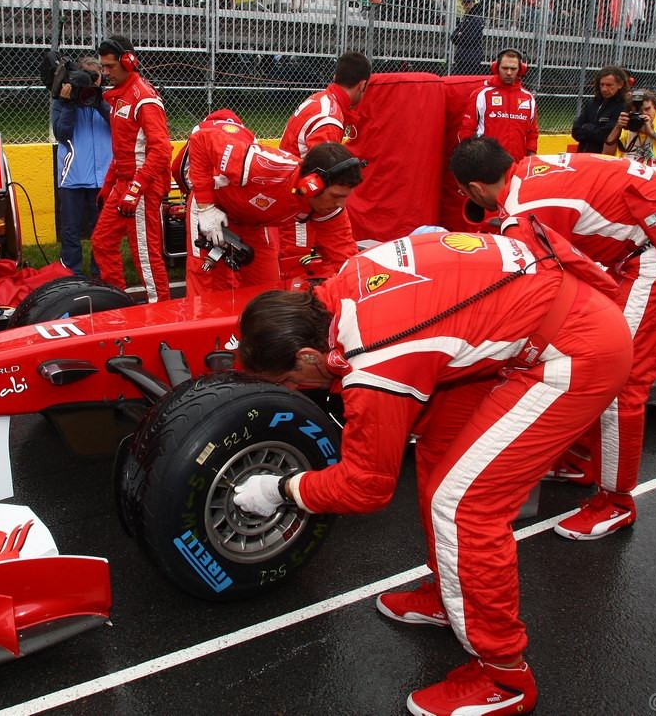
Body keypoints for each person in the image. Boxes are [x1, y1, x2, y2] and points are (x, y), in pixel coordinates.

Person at [232, 229, 633, 715]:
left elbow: (367, 487)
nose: (299, 389)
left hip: (574, 353)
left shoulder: (374, 357)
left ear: (307, 357)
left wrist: (279, 490)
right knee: (440, 460)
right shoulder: (341, 283)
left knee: (464, 507)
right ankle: (451, 596)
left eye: (293, 381)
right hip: (531, 326)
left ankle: (504, 678)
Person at [451, 139, 656, 541]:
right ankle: (582, 458)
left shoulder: (524, 211)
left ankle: (617, 502)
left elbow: (540, 286)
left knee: (619, 376)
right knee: (581, 353)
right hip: (644, 237)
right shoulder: (527, 171)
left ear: (474, 188)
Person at [181, 112, 361, 294]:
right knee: (208, 289)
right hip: (213, 209)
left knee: (267, 290)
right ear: (312, 185)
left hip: (254, 222)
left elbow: (345, 256)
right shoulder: (262, 164)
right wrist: (206, 206)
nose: (341, 205)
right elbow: (201, 139)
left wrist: (358, 293)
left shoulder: (328, 208)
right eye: (337, 196)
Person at [90, 36, 173, 303]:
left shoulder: (145, 99)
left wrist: (135, 190)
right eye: (103, 67)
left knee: (145, 256)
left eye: (110, 66)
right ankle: (117, 303)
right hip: (123, 184)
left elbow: (161, 151)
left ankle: (161, 312)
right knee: (102, 242)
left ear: (128, 62)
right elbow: (122, 150)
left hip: (142, 187)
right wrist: (108, 185)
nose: (105, 73)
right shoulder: (119, 98)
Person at [277, 51, 368, 274]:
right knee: (296, 269)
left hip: (295, 197)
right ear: (362, 85)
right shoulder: (329, 119)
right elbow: (326, 175)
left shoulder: (321, 101)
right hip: (299, 204)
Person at [52, 55, 112, 277]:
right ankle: (71, 273)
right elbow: (61, 133)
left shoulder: (109, 100)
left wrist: (98, 102)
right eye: (85, 77)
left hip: (104, 177)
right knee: (70, 230)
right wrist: (70, 104)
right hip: (72, 176)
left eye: (94, 78)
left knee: (102, 229)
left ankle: (101, 273)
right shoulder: (62, 100)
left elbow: (119, 126)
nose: (90, 82)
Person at [455, 49, 538, 162]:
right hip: (486, 164)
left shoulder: (528, 98)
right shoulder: (481, 95)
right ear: (496, 68)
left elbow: (532, 134)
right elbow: (466, 130)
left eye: (513, 69)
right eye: (504, 68)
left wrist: (531, 161)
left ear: (520, 70)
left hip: (517, 164)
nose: (509, 72)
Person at [603, 90, 656, 167]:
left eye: (647, 109)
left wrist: (651, 133)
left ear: (655, 108)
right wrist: (618, 127)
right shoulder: (629, 123)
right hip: (633, 173)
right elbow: (606, 155)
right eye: (639, 111)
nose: (644, 114)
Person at [570, 66, 628, 154]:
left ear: (620, 84)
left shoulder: (623, 106)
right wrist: (595, 131)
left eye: (609, 85)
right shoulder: (591, 103)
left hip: (604, 158)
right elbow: (575, 131)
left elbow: (606, 135)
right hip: (583, 155)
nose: (604, 89)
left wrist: (586, 127)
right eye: (602, 84)